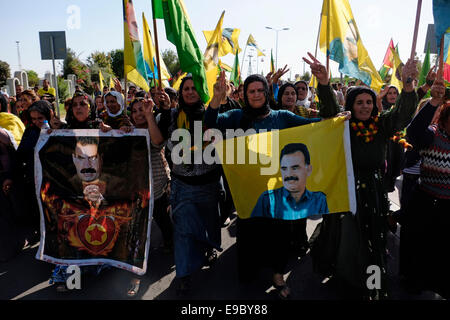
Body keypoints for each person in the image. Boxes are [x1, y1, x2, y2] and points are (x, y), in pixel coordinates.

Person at [204, 63, 347, 299]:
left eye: (261, 90)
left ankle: (278, 274)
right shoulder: (236, 116)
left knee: (280, 233)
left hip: (279, 188)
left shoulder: (281, 116)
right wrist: (217, 98)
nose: (257, 94)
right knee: (250, 233)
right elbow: (210, 128)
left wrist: (335, 122)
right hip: (248, 189)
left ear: (267, 93)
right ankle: (250, 272)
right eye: (252, 91)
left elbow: (314, 127)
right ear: (245, 94)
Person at [307, 55, 419, 299]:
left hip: (375, 192)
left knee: (375, 239)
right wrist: (324, 84)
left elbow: (402, 113)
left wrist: (408, 84)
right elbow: (329, 110)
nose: (366, 106)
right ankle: (349, 282)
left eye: (369, 102)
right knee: (349, 238)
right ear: (351, 104)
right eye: (360, 102)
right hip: (348, 190)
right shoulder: (342, 125)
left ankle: (374, 285)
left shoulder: (382, 125)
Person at [157, 76, 223, 296]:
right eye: (185, 88)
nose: (190, 92)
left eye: (194, 88)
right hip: (182, 185)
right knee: (183, 231)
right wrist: (165, 109)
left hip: (209, 183)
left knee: (209, 222)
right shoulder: (173, 115)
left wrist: (219, 96)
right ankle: (184, 274)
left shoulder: (211, 113)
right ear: (181, 92)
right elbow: (162, 139)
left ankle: (210, 247)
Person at [401, 76, 450, 298]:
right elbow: (413, 133)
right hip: (425, 202)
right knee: (419, 251)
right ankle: (413, 284)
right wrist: (433, 102)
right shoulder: (433, 135)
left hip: (447, 209)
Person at [126, 95, 173, 297]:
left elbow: (158, 141)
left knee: (163, 222)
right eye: (135, 111)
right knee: (137, 236)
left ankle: (171, 244)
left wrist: (149, 116)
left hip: (159, 187)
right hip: (137, 193)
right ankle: (135, 276)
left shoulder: (154, 128)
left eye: (142, 109)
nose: (138, 114)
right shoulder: (126, 132)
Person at [251, 143, 329, 219]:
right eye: (284, 168)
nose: (289, 174)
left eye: (295, 168)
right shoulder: (267, 200)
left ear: (309, 170)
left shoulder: (319, 200)